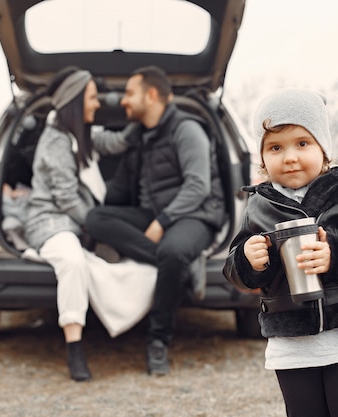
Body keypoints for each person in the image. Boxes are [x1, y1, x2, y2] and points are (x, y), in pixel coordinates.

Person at [223, 88, 338, 416]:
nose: (289, 157)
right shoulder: (257, 205)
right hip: (291, 338)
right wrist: (247, 261)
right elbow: (234, 268)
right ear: (262, 158)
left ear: (323, 148)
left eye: (302, 144)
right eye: (275, 147)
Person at [85, 65, 225, 375]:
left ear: (151, 95)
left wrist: (163, 220)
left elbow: (198, 186)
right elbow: (111, 144)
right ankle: (184, 269)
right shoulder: (139, 133)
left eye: (130, 94)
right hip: (154, 212)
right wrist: (75, 127)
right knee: (95, 219)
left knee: (173, 250)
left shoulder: (186, 129)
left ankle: (158, 340)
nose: (124, 101)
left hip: (195, 214)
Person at [23, 67, 133, 382]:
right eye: (92, 98)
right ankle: (74, 347)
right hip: (50, 220)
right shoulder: (55, 142)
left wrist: (141, 121)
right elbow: (67, 200)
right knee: (72, 261)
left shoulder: (80, 133)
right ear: (74, 101)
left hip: (77, 219)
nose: (98, 104)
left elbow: (112, 142)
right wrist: (100, 227)